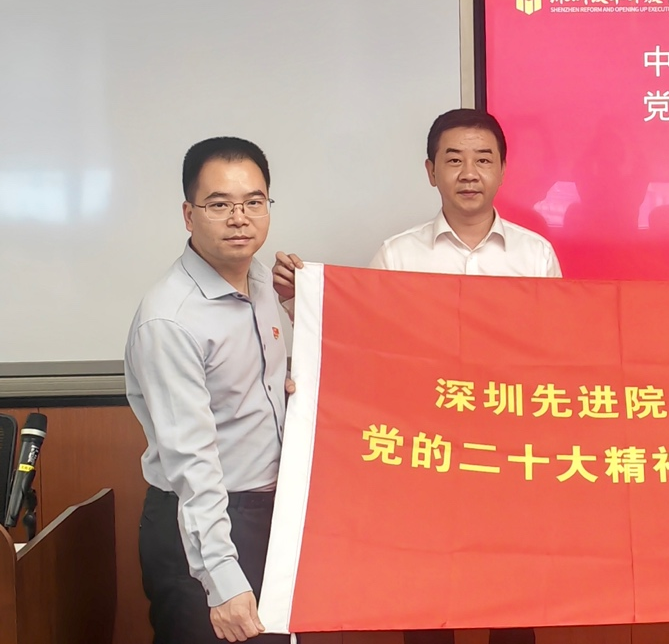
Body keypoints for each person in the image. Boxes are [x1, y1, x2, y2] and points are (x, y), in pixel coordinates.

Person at [273, 109, 556, 644]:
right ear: (430, 171)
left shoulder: (535, 255)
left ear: (502, 170)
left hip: (509, 456)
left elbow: (557, 356)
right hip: (425, 455)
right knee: (425, 598)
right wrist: (300, 302)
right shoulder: (398, 255)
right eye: (453, 160)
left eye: (483, 160)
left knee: (512, 598)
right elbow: (361, 345)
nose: (468, 173)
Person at [126, 137, 292, 644]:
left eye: (254, 201)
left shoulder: (261, 282)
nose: (240, 218)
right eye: (219, 204)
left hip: (269, 514)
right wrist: (221, 579)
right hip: (201, 525)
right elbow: (192, 464)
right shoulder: (170, 320)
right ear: (188, 214)